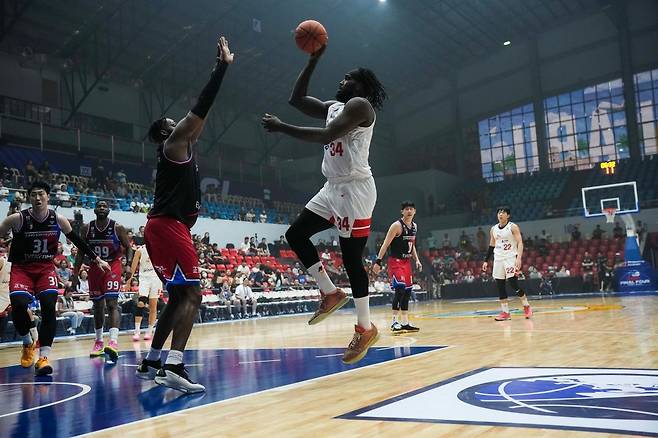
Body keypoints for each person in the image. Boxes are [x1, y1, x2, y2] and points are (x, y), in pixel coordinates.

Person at [261, 43, 387, 364]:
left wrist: (281, 127)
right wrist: (312, 61)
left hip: (355, 191)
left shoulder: (359, 106)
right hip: (332, 188)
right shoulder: (335, 106)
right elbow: (297, 99)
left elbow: (325, 136)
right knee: (296, 235)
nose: (342, 82)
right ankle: (330, 292)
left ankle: (365, 327)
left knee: (351, 258)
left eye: (348, 79)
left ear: (361, 86)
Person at [135, 36, 233, 393]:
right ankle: (175, 366)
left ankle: (152, 360)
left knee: (178, 298)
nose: (183, 123)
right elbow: (201, 109)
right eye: (175, 122)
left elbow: (200, 120)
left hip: (162, 227)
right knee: (193, 296)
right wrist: (222, 68)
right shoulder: (173, 143)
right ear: (167, 131)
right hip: (168, 227)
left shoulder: (182, 146)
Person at [0, 181, 110, 375]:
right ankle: (27, 342)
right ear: (29, 198)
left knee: (49, 306)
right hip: (22, 269)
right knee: (17, 305)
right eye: (33, 194)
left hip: (45, 269)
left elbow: (78, 241)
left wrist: (96, 258)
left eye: (41, 194)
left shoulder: (58, 219)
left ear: (48, 197)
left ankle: (43, 357)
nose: (38, 197)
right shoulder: (16, 219)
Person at [73, 200, 133, 361]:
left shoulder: (117, 227)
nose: (101, 207)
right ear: (94, 210)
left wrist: (127, 267)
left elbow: (128, 247)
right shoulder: (87, 228)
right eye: (99, 206)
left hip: (112, 266)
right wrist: (75, 275)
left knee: (112, 303)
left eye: (104, 206)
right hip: (95, 267)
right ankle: (98, 342)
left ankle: (113, 342)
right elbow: (80, 253)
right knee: (97, 305)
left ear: (108, 210)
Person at [372, 201, 422, 334]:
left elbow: (412, 245)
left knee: (407, 292)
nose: (409, 211)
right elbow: (385, 244)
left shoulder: (414, 226)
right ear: (402, 212)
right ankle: (394, 321)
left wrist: (417, 260)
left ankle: (405, 322)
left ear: (415, 211)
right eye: (406, 209)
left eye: (411, 209)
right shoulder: (396, 226)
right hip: (395, 261)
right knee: (399, 290)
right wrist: (378, 261)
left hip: (407, 262)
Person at [481, 206, 532, 321]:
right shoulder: (493, 229)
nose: (500, 214)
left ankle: (526, 305)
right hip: (498, 259)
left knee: (514, 284)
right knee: (500, 286)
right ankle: (505, 312)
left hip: (510, 258)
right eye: (499, 212)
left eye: (503, 212)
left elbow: (520, 242)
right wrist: (486, 260)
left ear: (508, 215)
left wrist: (518, 258)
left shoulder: (512, 227)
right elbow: (491, 246)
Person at [128, 244, 161, 341]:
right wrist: (129, 280)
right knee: (141, 303)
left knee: (153, 306)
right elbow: (133, 266)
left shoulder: (160, 247)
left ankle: (149, 331)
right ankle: (137, 331)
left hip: (156, 279)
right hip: (144, 279)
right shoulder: (140, 250)